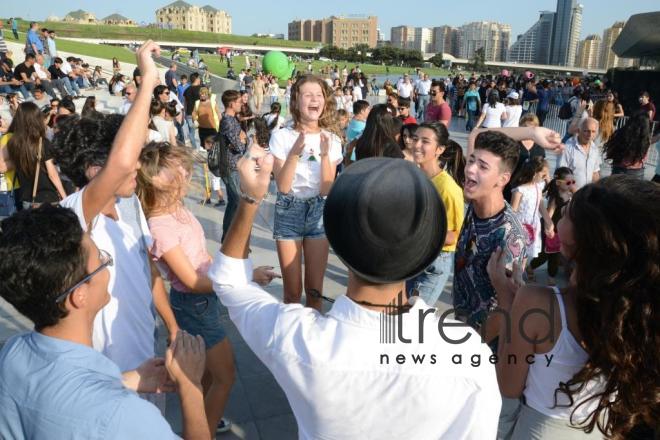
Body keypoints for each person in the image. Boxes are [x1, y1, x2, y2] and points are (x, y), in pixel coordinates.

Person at [209, 154, 501, 438]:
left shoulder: (297, 340)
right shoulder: (468, 355)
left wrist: (249, 199)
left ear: (336, 243)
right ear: (428, 252)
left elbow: (229, 282)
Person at [0, 205, 211, 440]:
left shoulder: (11, 353)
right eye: (101, 260)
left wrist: (126, 379)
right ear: (79, 295)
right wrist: (191, 386)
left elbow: (53, 390)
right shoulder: (123, 416)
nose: (107, 268)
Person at [488, 175, 659, 440]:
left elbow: (507, 389)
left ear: (585, 239)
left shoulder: (537, 302)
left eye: (569, 211)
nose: (562, 214)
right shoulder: (644, 314)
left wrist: (506, 302)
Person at [51, 41, 180, 375]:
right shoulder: (77, 215)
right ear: (96, 171)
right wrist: (148, 81)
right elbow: (123, 161)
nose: (136, 167)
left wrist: (172, 325)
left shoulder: (129, 206)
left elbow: (148, 270)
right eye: (130, 161)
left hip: (144, 358)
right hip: (109, 373)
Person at [136, 142, 237, 436]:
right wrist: (241, 279)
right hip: (196, 305)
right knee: (225, 376)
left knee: (205, 373)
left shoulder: (175, 209)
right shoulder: (161, 226)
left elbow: (200, 257)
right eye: (178, 169)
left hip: (205, 302)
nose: (186, 173)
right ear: (157, 179)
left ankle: (206, 419)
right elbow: (191, 282)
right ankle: (202, 430)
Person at [458, 126, 563, 343]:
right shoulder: (477, 201)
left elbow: (505, 306)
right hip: (461, 325)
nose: (470, 170)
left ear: (503, 179)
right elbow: (476, 135)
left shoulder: (509, 236)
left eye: (482, 166)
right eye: (471, 161)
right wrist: (532, 133)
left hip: (483, 346)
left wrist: (469, 350)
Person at [268, 75, 343, 310]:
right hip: (288, 209)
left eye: (319, 95)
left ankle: (312, 340)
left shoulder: (331, 139)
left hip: (319, 211)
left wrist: (323, 154)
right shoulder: (281, 136)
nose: (315, 99)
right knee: (292, 293)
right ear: (296, 101)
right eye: (308, 95)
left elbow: (327, 188)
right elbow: (282, 186)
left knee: (314, 291)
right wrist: (294, 153)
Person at [407, 122, 464, 305]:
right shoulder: (413, 176)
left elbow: (454, 235)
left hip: (434, 262)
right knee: (401, 315)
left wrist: (418, 228)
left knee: (413, 318)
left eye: (425, 141)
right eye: (415, 139)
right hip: (412, 257)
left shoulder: (448, 188)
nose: (417, 145)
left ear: (439, 149)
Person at [0, 102, 67, 207]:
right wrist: (64, 196)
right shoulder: (42, 142)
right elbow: (52, 174)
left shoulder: (13, 142)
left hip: (27, 199)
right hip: (47, 196)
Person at [527, 166, 575, 285]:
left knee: (556, 254)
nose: (572, 184)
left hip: (561, 228)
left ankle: (551, 276)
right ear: (558, 183)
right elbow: (548, 215)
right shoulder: (555, 198)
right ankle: (531, 267)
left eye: (573, 182)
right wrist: (549, 229)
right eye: (568, 182)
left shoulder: (570, 196)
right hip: (551, 228)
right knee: (547, 254)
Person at [510, 157, 554, 263]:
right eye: (543, 175)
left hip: (533, 226)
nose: (546, 178)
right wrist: (511, 231)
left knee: (526, 255)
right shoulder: (520, 190)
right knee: (515, 255)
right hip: (520, 226)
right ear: (534, 173)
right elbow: (512, 212)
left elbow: (541, 207)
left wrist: (549, 223)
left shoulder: (537, 189)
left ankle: (519, 275)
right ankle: (512, 276)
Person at [218, 89, 247, 241]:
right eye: (238, 101)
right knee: (236, 200)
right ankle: (228, 237)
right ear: (231, 103)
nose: (241, 103)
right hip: (229, 165)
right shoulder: (228, 121)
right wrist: (242, 139)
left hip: (235, 164)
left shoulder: (232, 119)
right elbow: (239, 146)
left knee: (234, 202)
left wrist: (242, 139)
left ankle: (229, 236)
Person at [603, 113, 651, 178]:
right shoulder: (644, 139)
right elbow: (643, 157)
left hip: (619, 169)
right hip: (636, 171)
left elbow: (611, 150)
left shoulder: (620, 134)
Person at [558, 118, 600, 190]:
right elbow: (562, 174)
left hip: (587, 195)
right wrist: (575, 192)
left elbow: (595, 173)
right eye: (586, 131)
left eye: (593, 131)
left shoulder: (594, 148)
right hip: (569, 195)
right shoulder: (568, 147)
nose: (590, 135)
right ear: (578, 130)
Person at [183, 72, 202, 149]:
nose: (200, 79)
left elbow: (184, 103)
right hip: (198, 114)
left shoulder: (187, 90)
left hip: (189, 114)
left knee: (191, 132)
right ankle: (201, 147)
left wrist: (185, 113)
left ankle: (195, 149)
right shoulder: (201, 89)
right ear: (197, 79)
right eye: (199, 78)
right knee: (202, 132)